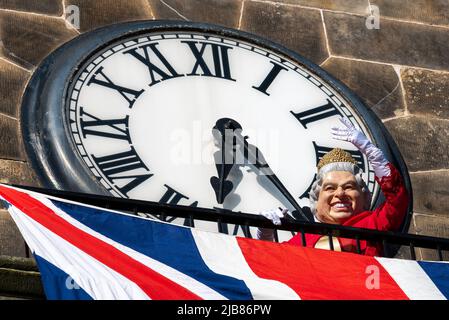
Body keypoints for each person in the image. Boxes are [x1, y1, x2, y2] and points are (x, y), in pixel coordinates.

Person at [257, 118, 409, 256]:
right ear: (317, 200)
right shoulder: (304, 238)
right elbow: (270, 261)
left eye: (349, 186)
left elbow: (397, 201)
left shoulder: (371, 224)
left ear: (363, 197)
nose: (340, 193)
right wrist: (265, 232)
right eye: (330, 188)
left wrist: (371, 152)